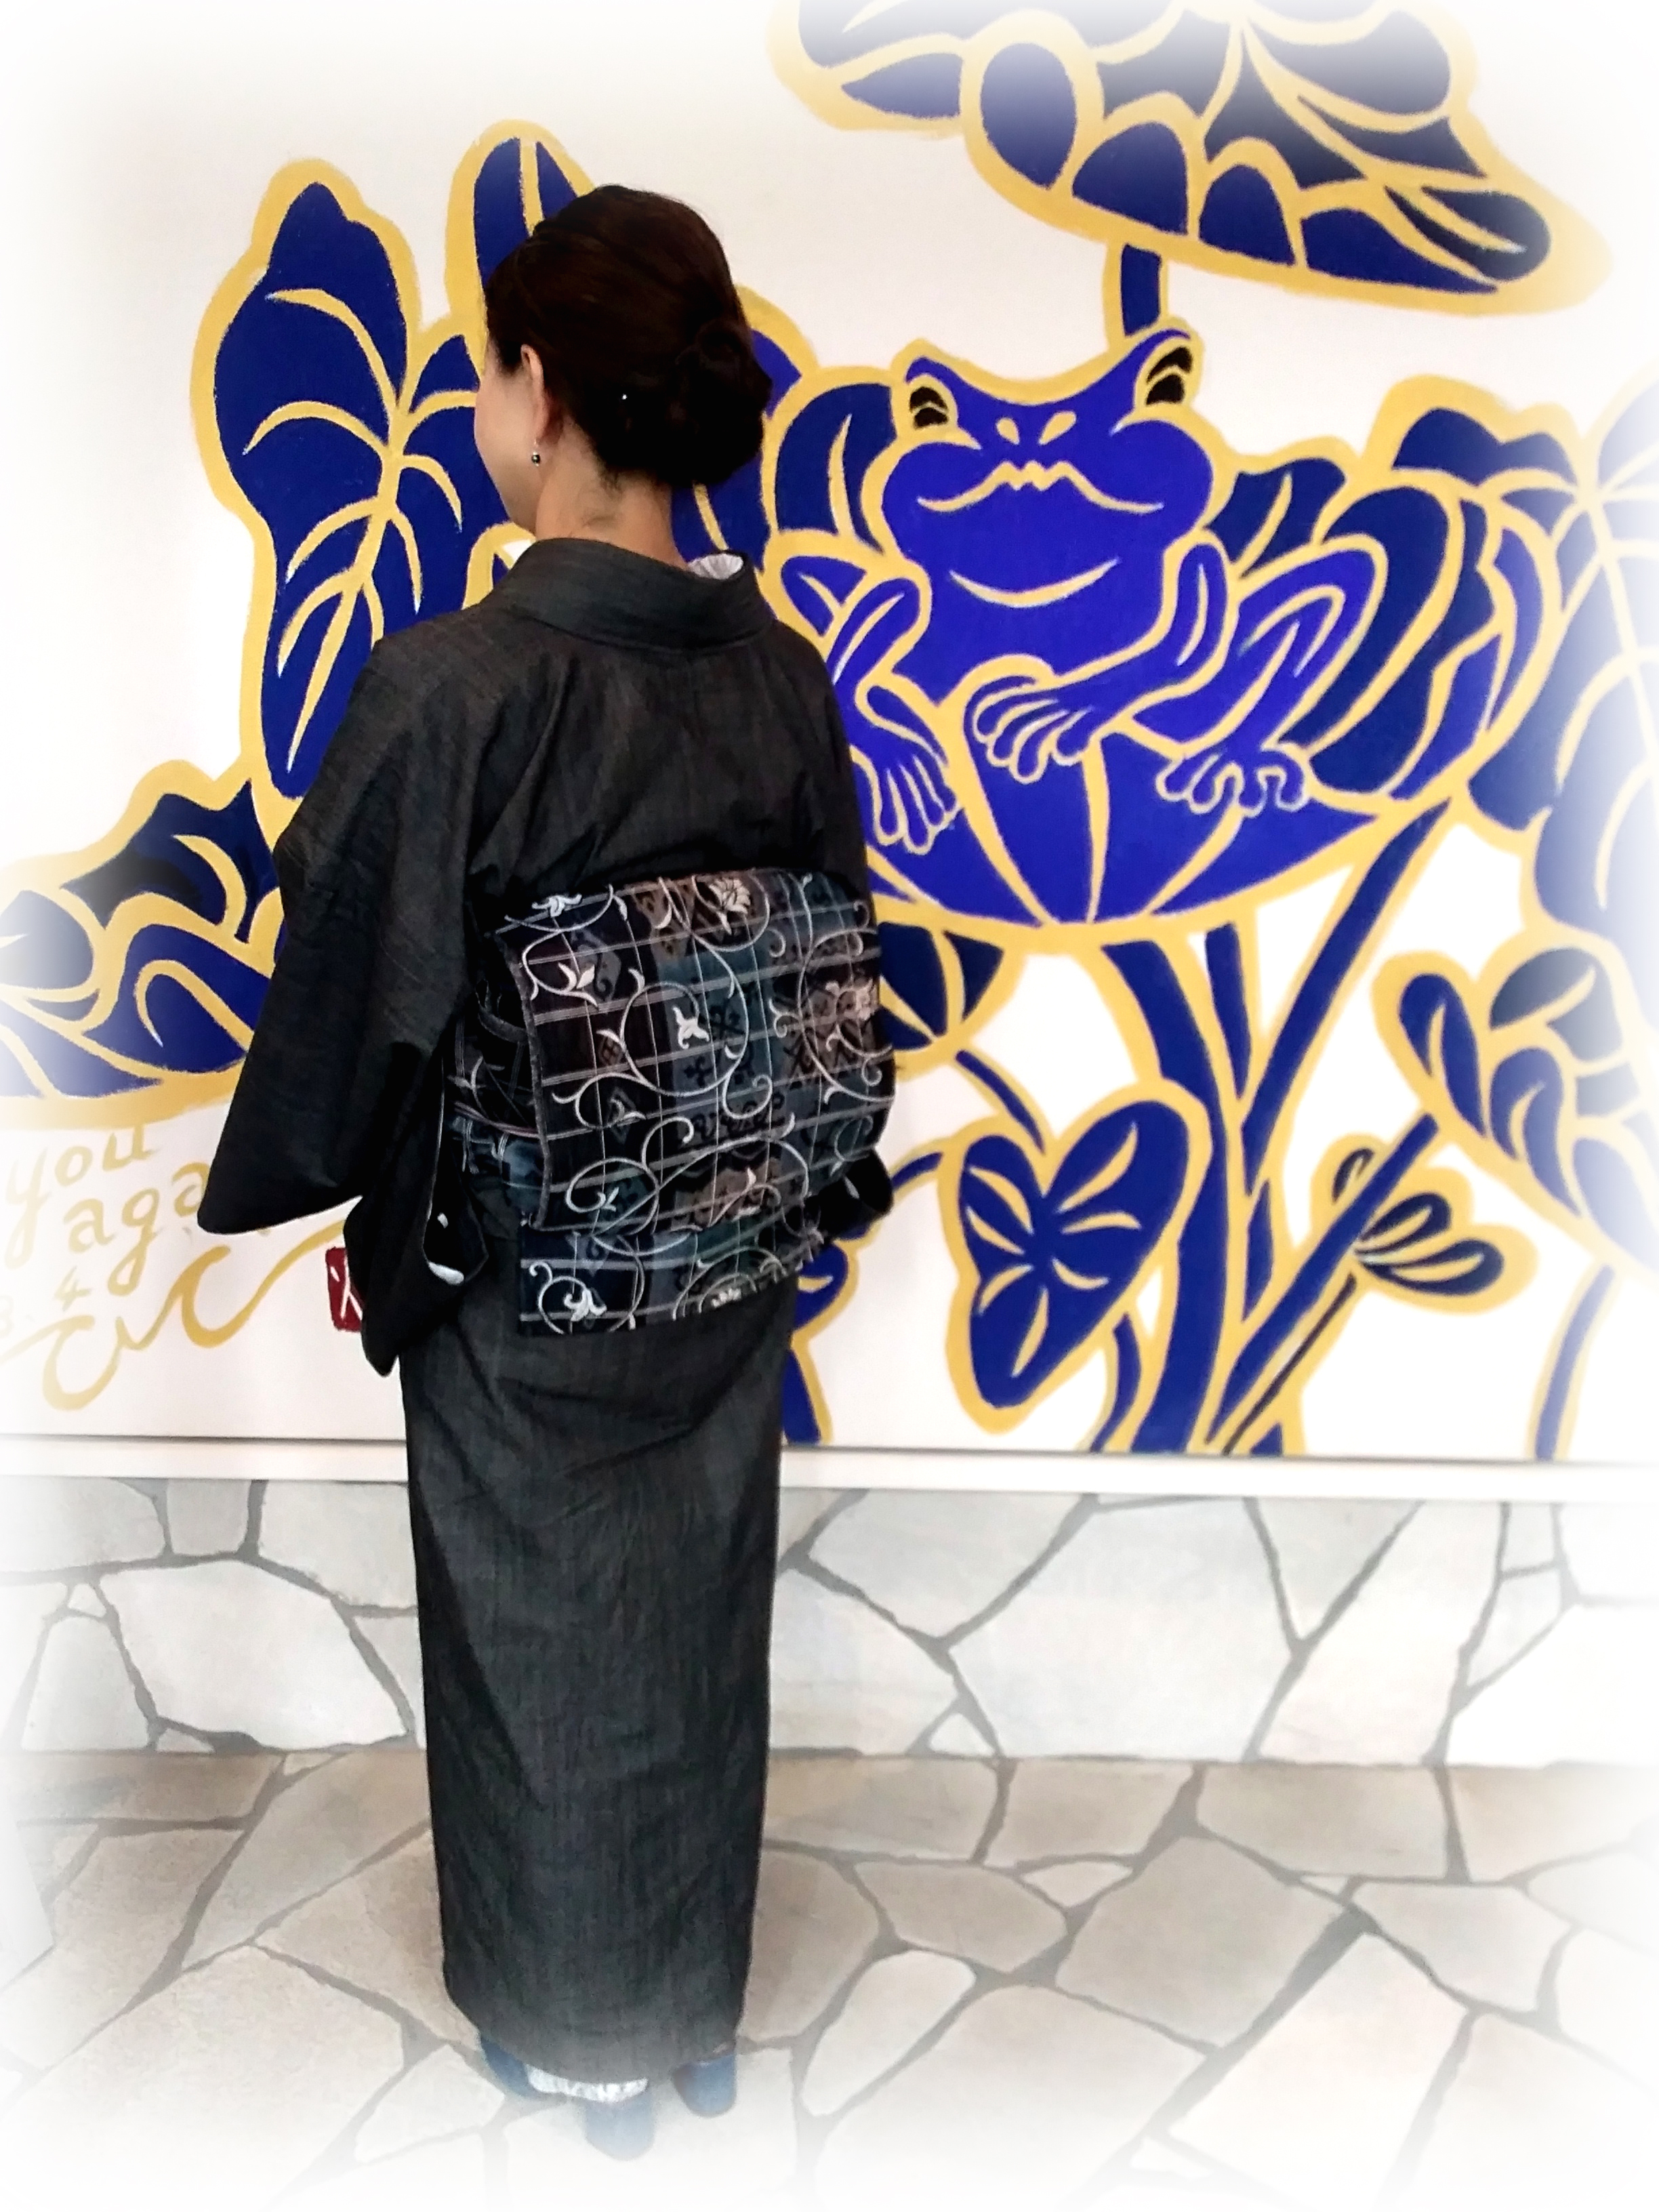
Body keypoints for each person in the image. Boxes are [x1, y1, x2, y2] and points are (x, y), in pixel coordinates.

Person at [198, 184, 889, 2161]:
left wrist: (314, 1176)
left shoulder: (460, 685)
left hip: (524, 1274)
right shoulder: (778, 672)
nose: (486, 403)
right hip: (731, 1248)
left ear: (542, 394)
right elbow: (836, 947)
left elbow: (355, 974)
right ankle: (690, 2016)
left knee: (540, 1631)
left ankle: (582, 2034)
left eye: (493, 369)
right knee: (692, 1615)